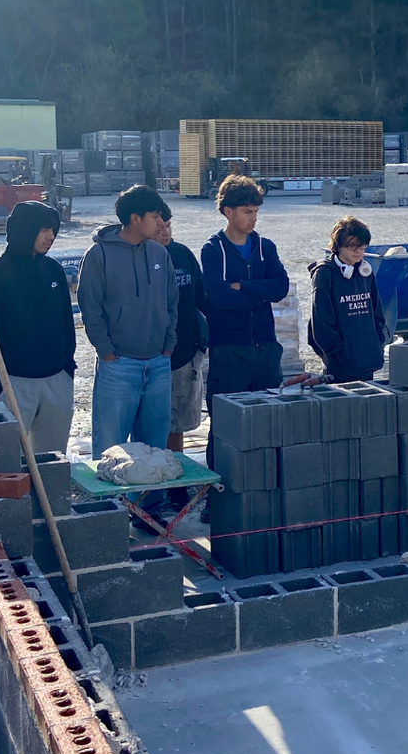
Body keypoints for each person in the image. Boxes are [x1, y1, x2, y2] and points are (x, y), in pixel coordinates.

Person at [78, 185, 178, 530]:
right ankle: (107, 518)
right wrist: (107, 352)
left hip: (158, 363)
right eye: (154, 216)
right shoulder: (99, 255)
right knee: (111, 445)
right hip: (117, 365)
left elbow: (171, 302)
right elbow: (90, 309)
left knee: (153, 444)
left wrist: (168, 345)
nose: (160, 222)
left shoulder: (159, 253)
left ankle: (150, 512)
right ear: (135, 218)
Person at [201, 175, 289, 472]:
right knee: (225, 427)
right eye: (247, 212)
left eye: (256, 212)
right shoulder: (212, 250)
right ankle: (220, 500)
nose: (253, 219)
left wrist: (243, 286)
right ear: (228, 211)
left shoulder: (266, 247)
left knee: (268, 423)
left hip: (266, 350)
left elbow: (281, 288)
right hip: (229, 353)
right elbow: (219, 298)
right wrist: (258, 291)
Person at [0, 201, 76, 456]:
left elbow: (67, 323)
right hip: (14, 384)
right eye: (43, 229)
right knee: (13, 465)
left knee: (52, 463)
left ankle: (49, 499)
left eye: (53, 229)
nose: (50, 236)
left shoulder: (54, 270)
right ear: (25, 229)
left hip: (57, 380)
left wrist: (68, 369)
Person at [155, 206, 207, 512]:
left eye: (168, 225)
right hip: (151, 355)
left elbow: (201, 298)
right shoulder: (142, 257)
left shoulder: (183, 254)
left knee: (177, 425)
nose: (164, 231)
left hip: (185, 352)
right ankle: (151, 489)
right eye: (159, 226)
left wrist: (201, 342)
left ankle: (176, 486)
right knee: (151, 426)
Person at [307, 215, 387, 383]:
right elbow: (321, 325)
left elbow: (377, 314)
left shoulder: (365, 271)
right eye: (352, 246)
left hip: (368, 360)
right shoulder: (324, 274)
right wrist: (340, 354)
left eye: (362, 246)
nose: (358, 251)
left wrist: (377, 344)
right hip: (340, 367)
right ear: (338, 247)